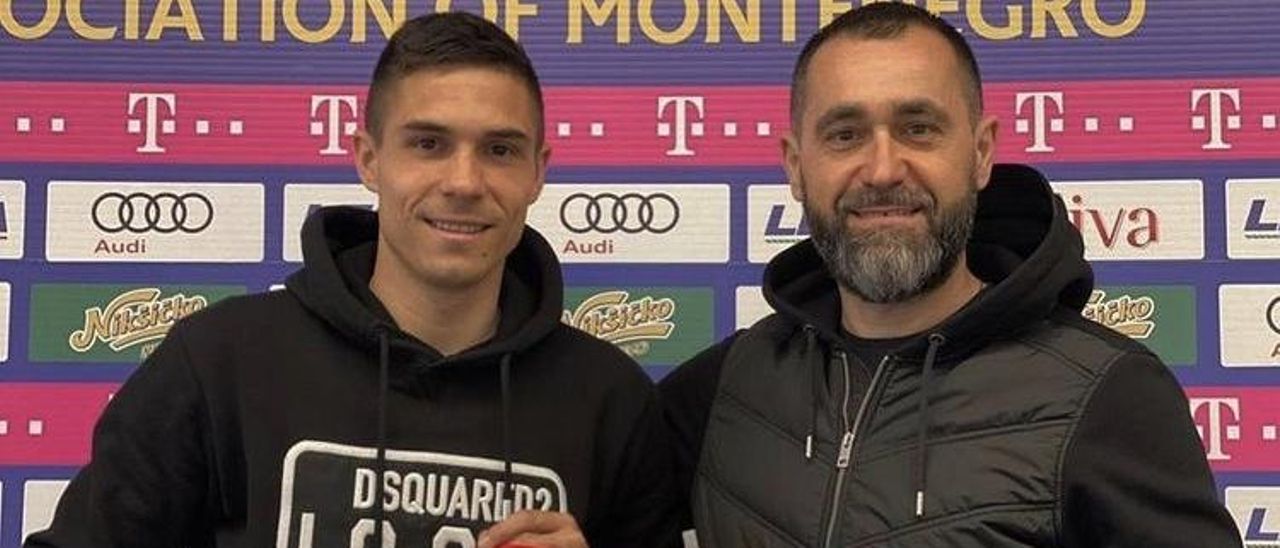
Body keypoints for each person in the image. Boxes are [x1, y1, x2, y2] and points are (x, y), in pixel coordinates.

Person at [28, 12, 678, 548]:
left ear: (539, 171)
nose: (463, 182)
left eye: (499, 150)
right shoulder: (221, 363)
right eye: (428, 144)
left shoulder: (611, 401)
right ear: (369, 158)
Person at [660, 3, 1241, 547]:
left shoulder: (1106, 393)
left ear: (981, 152)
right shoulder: (723, 388)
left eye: (918, 128)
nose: (883, 169)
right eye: (845, 135)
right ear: (795, 165)